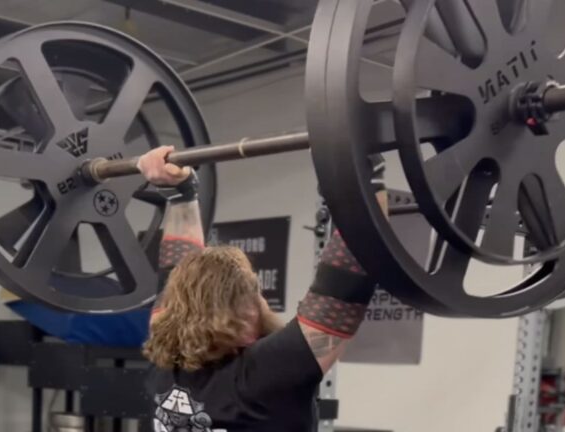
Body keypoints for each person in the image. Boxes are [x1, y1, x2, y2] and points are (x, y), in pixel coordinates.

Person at [138, 146, 386, 432]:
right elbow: (342, 289)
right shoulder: (261, 377)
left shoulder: (165, 369)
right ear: (243, 307)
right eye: (256, 289)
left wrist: (180, 193)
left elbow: (175, 277)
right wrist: (365, 179)